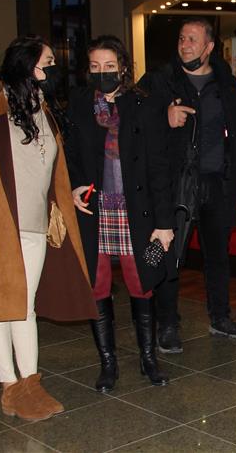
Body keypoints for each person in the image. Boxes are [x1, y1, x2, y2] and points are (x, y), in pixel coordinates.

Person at [0, 35, 97, 420]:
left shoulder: (45, 109)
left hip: (36, 224)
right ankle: (11, 386)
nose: (53, 68)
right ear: (27, 63)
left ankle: (30, 384)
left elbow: (51, 168)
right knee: (1, 305)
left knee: (24, 305)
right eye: (47, 61)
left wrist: (68, 194)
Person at [64, 35, 177, 391]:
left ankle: (148, 359)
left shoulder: (144, 104)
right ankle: (108, 363)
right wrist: (74, 185)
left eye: (110, 66)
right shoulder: (79, 104)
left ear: (123, 67)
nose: (103, 73)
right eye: (95, 67)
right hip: (94, 210)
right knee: (97, 285)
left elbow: (160, 166)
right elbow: (69, 155)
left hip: (138, 212)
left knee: (142, 282)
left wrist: (165, 223)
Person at [143, 17, 236, 352]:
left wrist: (235, 179)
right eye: (182, 38)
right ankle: (167, 323)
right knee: (170, 255)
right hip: (176, 185)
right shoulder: (160, 81)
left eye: (193, 39)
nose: (185, 45)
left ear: (209, 46)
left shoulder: (226, 84)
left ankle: (220, 317)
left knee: (218, 256)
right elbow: (135, 122)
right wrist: (163, 117)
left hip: (217, 184)